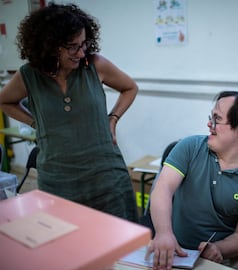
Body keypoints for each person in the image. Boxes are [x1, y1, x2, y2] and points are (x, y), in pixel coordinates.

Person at [0, 3, 139, 222]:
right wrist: (37, 123)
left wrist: (113, 119)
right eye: (72, 46)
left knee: (121, 246)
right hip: (58, 181)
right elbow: (5, 101)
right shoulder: (29, 75)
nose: (81, 52)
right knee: (68, 247)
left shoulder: (95, 65)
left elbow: (130, 88)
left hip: (106, 180)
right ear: (50, 45)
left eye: (84, 44)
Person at [147, 91, 238, 270]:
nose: (209, 124)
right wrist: (164, 233)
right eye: (210, 117)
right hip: (172, 244)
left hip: (217, 258)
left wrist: (219, 248)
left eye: (217, 119)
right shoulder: (190, 147)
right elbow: (163, 188)